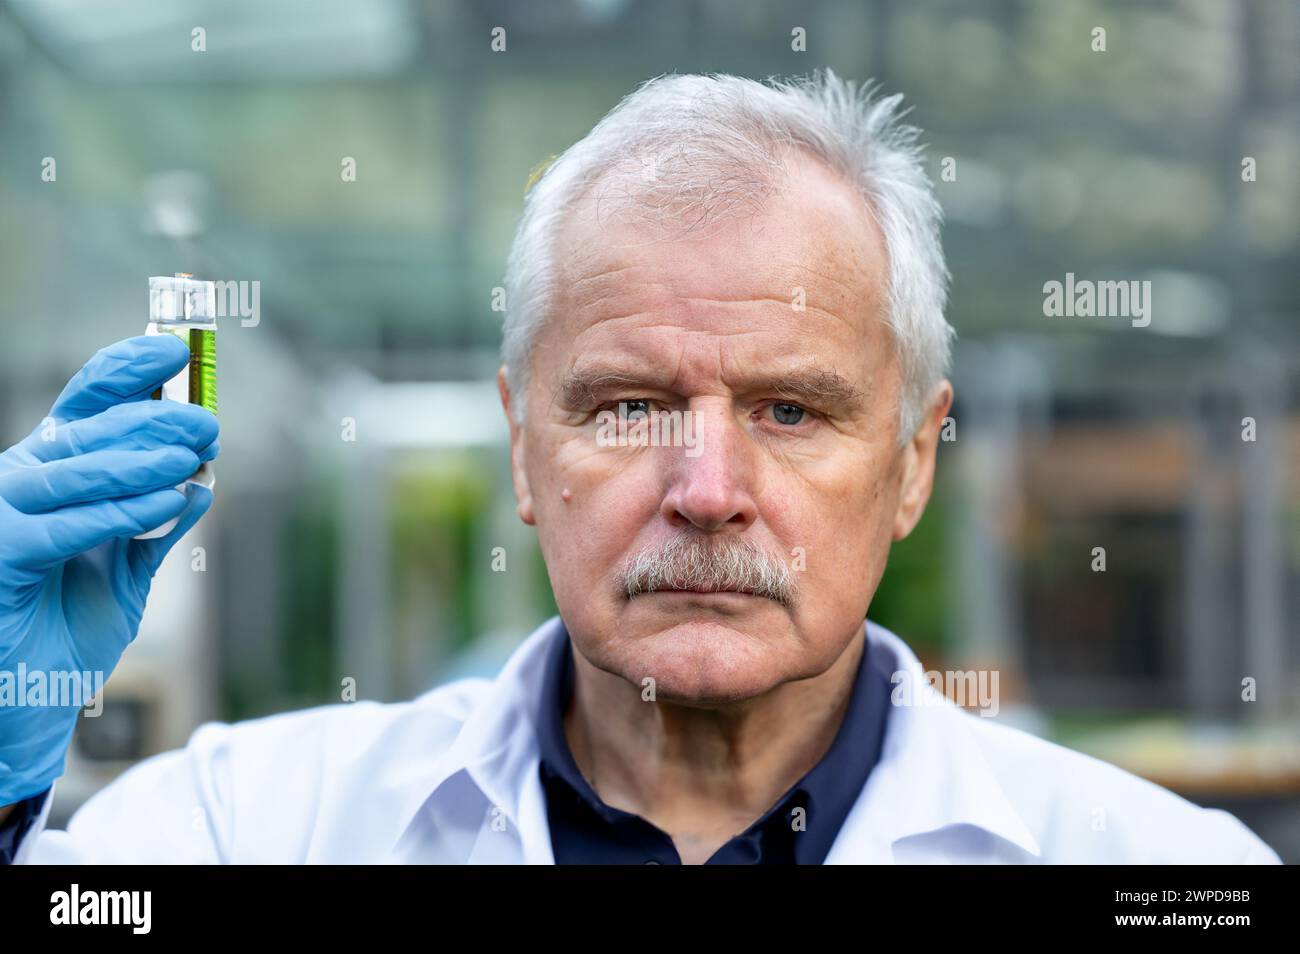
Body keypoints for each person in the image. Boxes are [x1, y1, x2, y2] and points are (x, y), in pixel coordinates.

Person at [0, 70, 1280, 864]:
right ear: (520, 444)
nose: (706, 488)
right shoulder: (246, 829)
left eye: (788, 409)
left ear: (908, 468)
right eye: (624, 406)